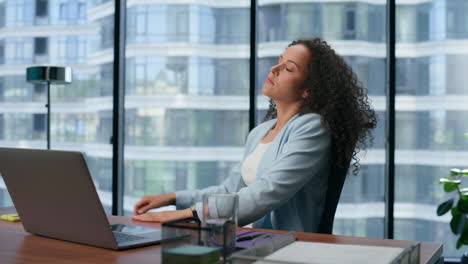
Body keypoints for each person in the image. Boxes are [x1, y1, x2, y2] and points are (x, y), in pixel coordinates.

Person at [132, 38, 377, 232]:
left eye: (288, 68)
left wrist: (188, 214)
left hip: (284, 246)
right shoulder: (261, 131)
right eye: (279, 61)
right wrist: (173, 198)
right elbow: (230, 190)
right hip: (242, 239)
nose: (274, 69)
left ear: (308, 91)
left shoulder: (313, 127)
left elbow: (267, 192)